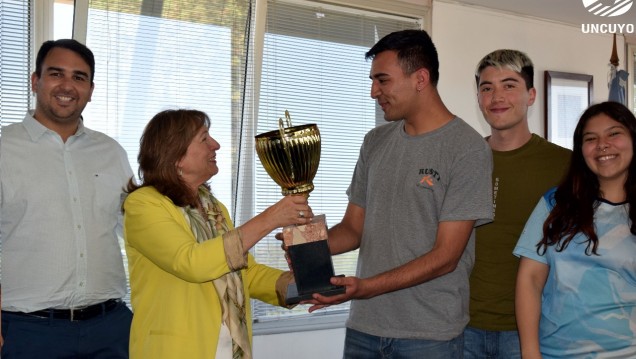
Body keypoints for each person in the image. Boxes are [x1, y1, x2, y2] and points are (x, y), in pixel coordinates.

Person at [302, 29, 493, 358]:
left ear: (420, 78)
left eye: (383, 80)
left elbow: (446, 257)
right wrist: (306, 247)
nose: (373, 91)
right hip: (365, 328)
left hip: (429, 335)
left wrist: (365, 287)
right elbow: (352, 229)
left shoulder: (467, 149)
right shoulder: (374, 142)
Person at [123, 109, 312, 358]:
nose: (216, 145)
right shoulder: (143, 204)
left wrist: (304, 285)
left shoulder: (213, 207)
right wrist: (271, 218)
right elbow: (192, 262)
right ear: (175, 154)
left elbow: (246, 273)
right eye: (204, 138)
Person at [0, 39, 133, 357]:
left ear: (90, 89)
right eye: (56, 73)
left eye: (79, 77)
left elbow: (138, 231)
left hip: (111, 329)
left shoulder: (111, 152)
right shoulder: (4, 148)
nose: (67, 86)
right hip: (28, 334)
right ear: (36, 81)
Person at [464, 49, 571, 358]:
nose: (497, 96)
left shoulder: (566, 166)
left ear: (531, 94)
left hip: (533, 330)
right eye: (487, 88)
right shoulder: (461, 161)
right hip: (461, 327)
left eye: (509, 85)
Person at [514, 101, 636, 358]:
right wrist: (530, 353)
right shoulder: (555, 204)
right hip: (554, 353)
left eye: (614, 133)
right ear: (581, 150)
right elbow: (530, 280)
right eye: (591, 138)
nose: (603, 144)